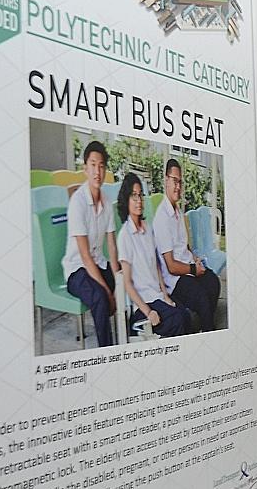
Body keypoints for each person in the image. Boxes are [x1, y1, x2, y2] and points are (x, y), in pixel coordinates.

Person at [114, 173, 190, 339]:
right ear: (125, 200)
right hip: (143, 305)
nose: (139, 200)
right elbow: (127, 283)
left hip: (157, 298)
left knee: (185, 314)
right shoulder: (124, 236)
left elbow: (156, 266)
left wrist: (165, 295)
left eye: (140, 194)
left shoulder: (147, 229)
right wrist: (148, 312)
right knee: (178, 320)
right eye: (134, 196)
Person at [153, 157, 222, 332]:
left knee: (213, 282)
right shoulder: (161, 218)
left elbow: (184, 246)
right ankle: (207, 330)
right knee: (201, 296)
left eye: (180, 182)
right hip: (175, 280)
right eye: (174, 181)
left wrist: (195, 259)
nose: (178, 186)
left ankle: (204, 325)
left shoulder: (178, 211)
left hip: (188, 268)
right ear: (165, 181)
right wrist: (193, 270)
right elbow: (170, 266)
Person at [62, 141, 119, 347]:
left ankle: (129, 340)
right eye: (93, 165)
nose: (98, 171)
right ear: (85, 168)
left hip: (97, 263)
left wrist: (117, 280)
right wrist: (107, 290)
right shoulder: (77, 203)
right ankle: (107, 350)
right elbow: (85, 257)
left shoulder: (106, 202)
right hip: (77, 269)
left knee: (125, 285)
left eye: (102, 165)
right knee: (100, 297)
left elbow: (112, 247)